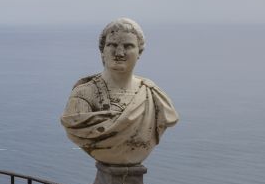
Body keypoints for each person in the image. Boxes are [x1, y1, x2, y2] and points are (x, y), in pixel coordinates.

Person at [60, 18, 177, 165]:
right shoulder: (83, 94)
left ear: (139, 52)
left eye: (128, 46)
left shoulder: (153, 95)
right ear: (102, 51)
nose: (119, 53)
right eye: (112, 45)